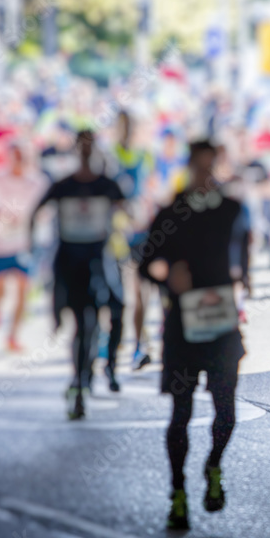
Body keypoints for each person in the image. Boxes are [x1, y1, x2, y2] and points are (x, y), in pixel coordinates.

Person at [138, 139, 249, 531]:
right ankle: (178, 491)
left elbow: (244, 244)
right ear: (189, 167)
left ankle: (214, 464)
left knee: (227, 411)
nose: (205, 176)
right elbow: (145, 262)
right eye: (198, 168)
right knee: (180, 413)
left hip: (219, 324)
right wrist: (167, 275)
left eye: (210, 167)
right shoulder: (172, 212)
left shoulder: (231, 209)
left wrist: (244, 276)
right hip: (183, 328)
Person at [31, 130, 125, 419]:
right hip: (71, 263)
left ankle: (109, 364)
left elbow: (128, 212)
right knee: (83, 325)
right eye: (81, 146)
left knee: (118, 308)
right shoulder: (63, 185)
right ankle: (80, 380)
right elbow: (35, 212)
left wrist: (129, 236)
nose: (86, 151)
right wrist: (33, 249)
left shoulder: (107, 184)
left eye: (90, 146)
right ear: (75, 150)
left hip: (102, 258)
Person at [0, 142, 48, 352]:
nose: (20, 161)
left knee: (23, 290)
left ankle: (12, 336)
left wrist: (30, 219)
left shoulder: (39, 182)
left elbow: (45, 211)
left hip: (24, 244)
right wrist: (3, 216)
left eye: (24, 156)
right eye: (16, 156)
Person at [112, 111, 156, 371]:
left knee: (141, 292)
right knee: (120, 293)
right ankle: (115, 343)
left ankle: (140, 344)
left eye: (131, 126)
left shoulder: (145, 156)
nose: (127, 131)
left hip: (142, 231)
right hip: (116, 234)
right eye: (123, 126)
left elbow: (152, 188)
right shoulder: (109, 156)